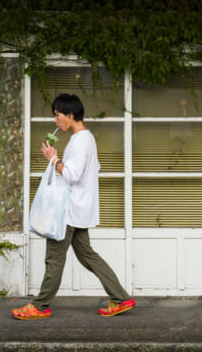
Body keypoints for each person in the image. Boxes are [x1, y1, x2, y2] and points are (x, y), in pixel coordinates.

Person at [12, 93, 135, 319]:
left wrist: (53, 158)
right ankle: (121, 298)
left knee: (54, 259)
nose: (56, 119)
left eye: (58, 114)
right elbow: (92, 170)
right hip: (79, 209)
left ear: (70, 115)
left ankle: (40, 306)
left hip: (67, 211)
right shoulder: (86, 139)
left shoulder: (79, 142)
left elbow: (71, 175)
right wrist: (58, 160)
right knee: (88, 255)